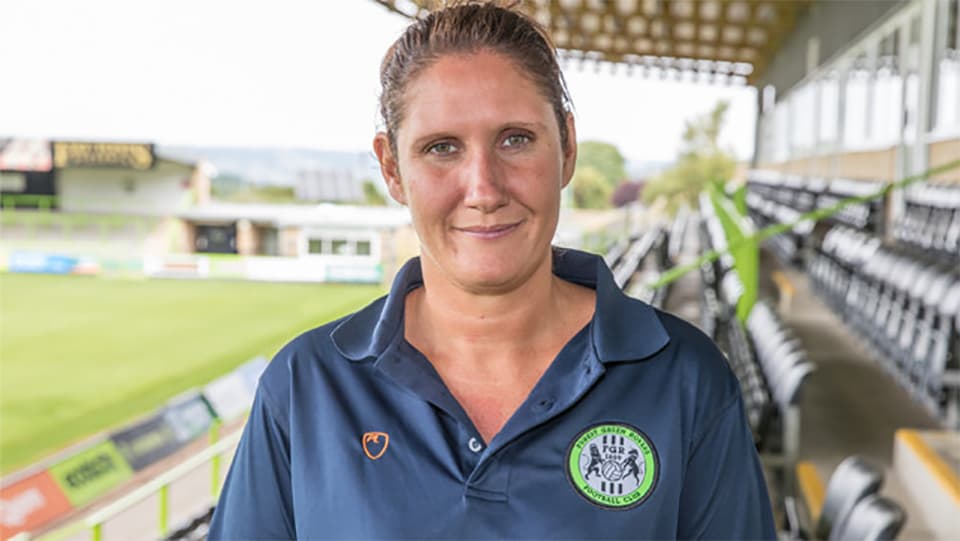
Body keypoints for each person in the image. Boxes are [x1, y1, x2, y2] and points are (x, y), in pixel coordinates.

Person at [208, 2, 776, 539]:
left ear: (568, 148)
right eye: (441, 148)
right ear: (392, 167)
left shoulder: (684, 379)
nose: (484, 189)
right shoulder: (306, 387)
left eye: (515, 139)